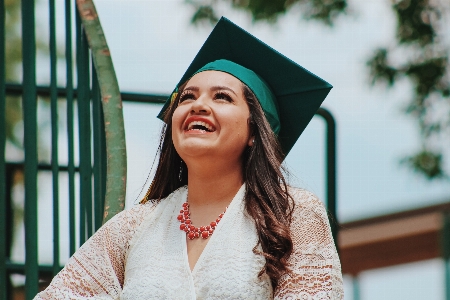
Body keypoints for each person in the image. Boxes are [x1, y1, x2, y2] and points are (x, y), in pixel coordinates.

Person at [35, 17, 343, 299]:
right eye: (187, 97)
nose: (198, 105)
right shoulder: (134, 226)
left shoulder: (292, 215)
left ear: (254, 131)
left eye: (222, 97)